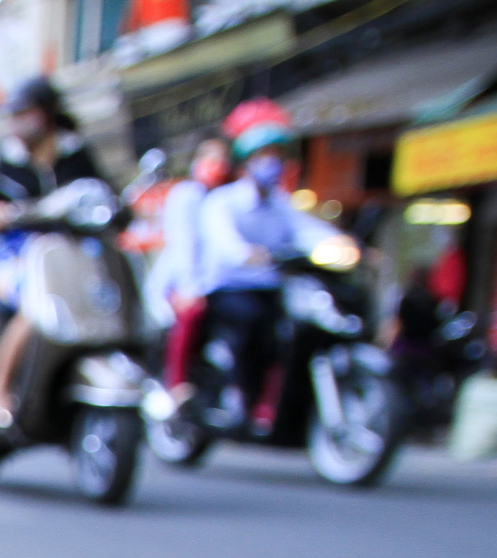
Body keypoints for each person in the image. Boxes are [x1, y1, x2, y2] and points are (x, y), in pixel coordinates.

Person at [195, 99, 347, 427]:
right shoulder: (223, 202)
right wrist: (248, 253)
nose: (272, 164)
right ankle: (240, 392)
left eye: (277, 157)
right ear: (246, 162)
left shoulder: (281, 204)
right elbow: (225, 244)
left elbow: (308, 231)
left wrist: (340, 243)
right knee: (253, 322)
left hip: (271, 287)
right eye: (264, 157)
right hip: (229, 288)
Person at [0, 77, 107, 426]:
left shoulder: (76, 154)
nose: (17, 122)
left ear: (45, 113)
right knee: (37, 304)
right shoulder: (4, 161)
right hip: (18, 254)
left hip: (72, 253)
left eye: (24, 113)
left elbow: (102, 194)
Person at [144, 138, 231, 392]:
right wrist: (190, 288)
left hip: (217, 282)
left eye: (222, 160)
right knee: (190, 314)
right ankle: (177, 385)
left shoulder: (225, 197)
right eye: (211, 158)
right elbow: (184, 246)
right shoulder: (187, 196)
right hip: (183, 284)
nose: (217, 166)